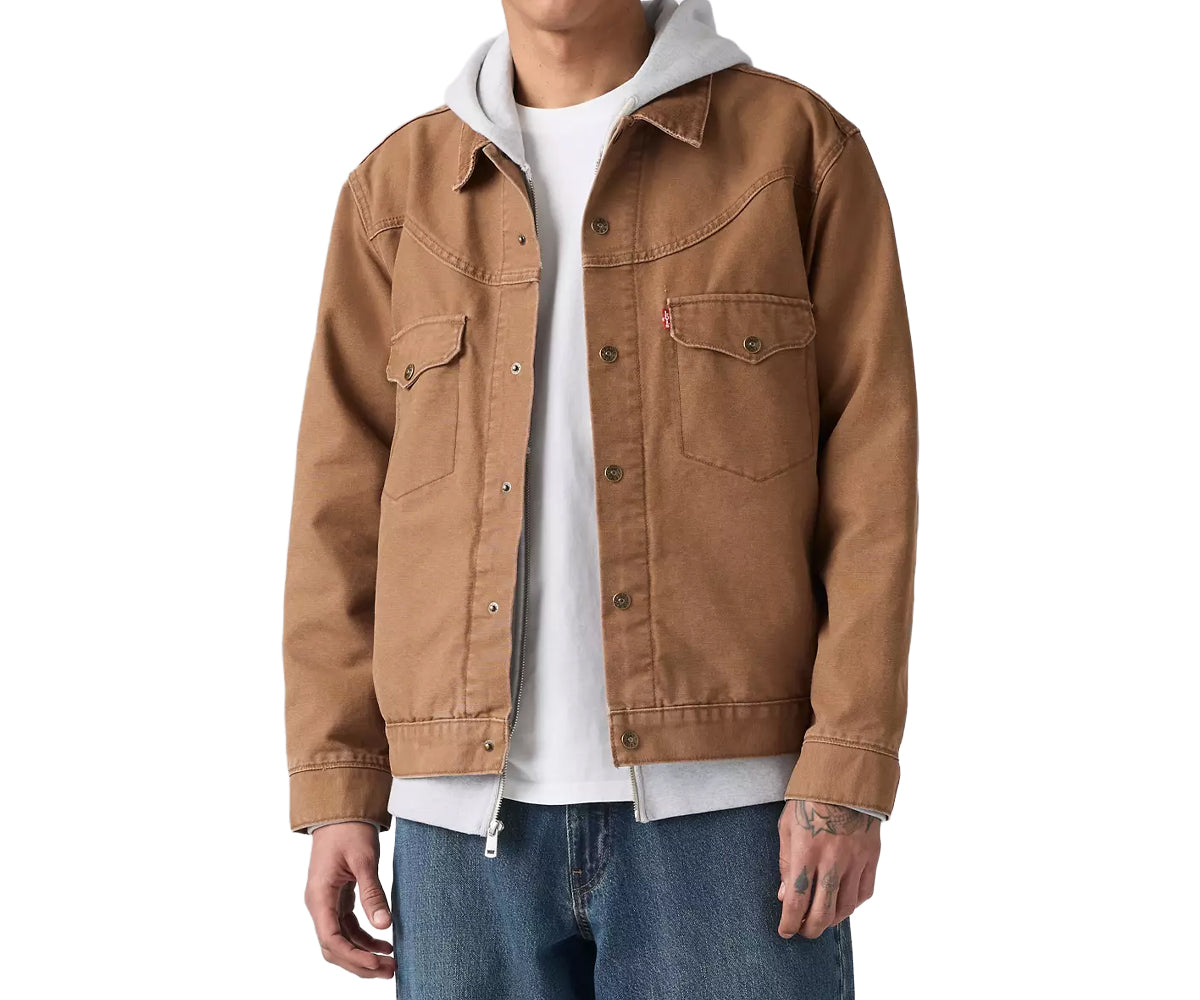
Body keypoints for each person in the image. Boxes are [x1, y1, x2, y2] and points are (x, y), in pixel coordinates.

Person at [282, 0, 918, 995]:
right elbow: (339, 510)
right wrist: (338, 789)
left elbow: (872, 482)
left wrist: (846, 771)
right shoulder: (397, 191)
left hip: (733, 819)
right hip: (460, 833)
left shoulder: (794, 152)